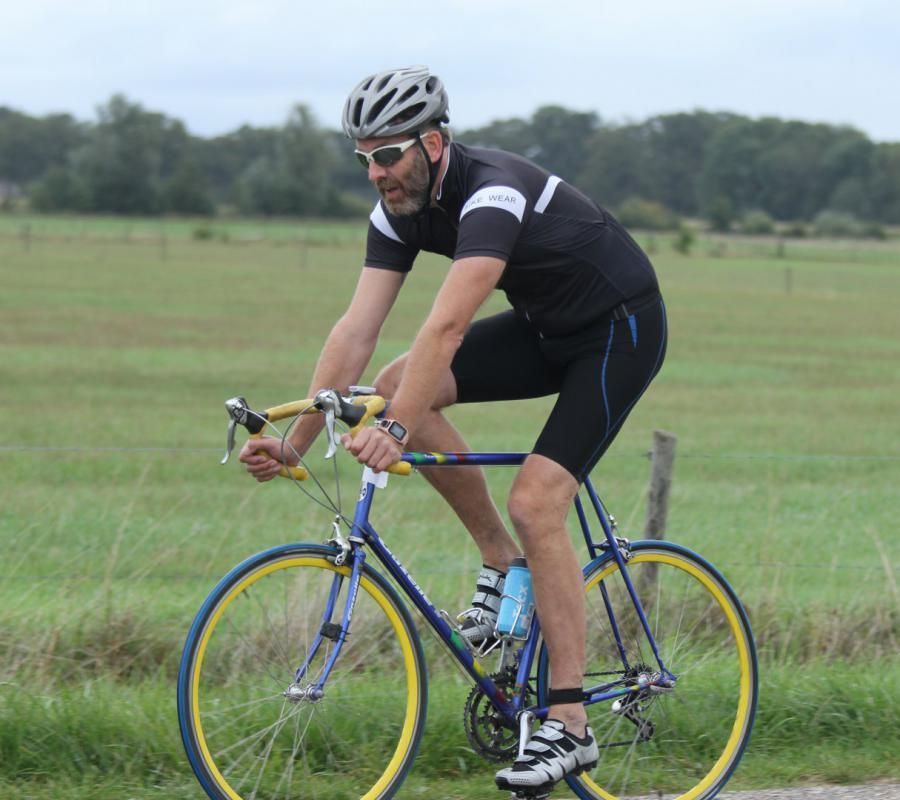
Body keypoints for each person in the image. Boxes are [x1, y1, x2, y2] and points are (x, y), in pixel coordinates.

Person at [238, 66, 667, 795]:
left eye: (388, 154)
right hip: (544, 329)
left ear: (432, 144)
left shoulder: (492, 194)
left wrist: (396, 429)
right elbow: (355, 331)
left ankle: (569, 725)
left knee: (538, 500)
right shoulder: (396, 212)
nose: (376, 172)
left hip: (618, 330)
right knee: (396, 382)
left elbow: (447, 326)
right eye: (363, 158)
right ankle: (501, 561)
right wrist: (294, 444)